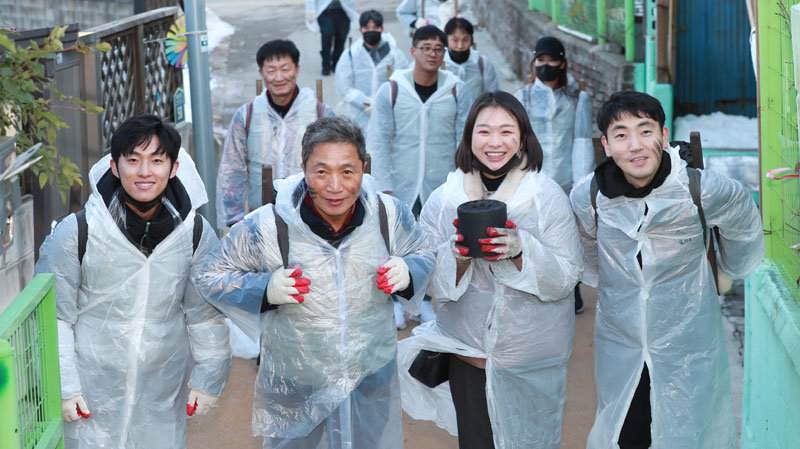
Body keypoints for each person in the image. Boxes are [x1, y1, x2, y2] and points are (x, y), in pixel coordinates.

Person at [193, 116, 436, 449]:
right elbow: (210, 275)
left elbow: (424, 251)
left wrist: (410, 271)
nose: (335, 186)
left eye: (347, 171)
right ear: (303, 167)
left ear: (363, 169)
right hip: (296, 384)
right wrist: (265, 289)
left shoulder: (388, 215)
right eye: (321, 171)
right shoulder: (271, 224)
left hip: (370, 378)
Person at [569, 91, 765, 449]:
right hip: (621, 341)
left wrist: (724, 271)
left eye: (645, 131)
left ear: (663, 133)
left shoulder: (697, 189)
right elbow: (584, 246)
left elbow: (744, 221)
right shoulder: (590, 195)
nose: (636, 145)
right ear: (607, 145)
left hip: (687, 343)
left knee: (688, 433)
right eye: (622, 134)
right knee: (627, 433)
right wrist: (614, 283)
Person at [397, 91, 583, 449]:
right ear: (469, 137)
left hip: (532, 360)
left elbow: (566, 276)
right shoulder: (444, 198)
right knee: (478, 441)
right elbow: (425, 280)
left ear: (523, 136)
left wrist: (519, 251)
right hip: (469, 355)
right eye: (483, 132)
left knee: (533, 441)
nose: (494, 143)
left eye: (506, 131)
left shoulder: (545, 196)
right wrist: (458, 257)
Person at [36, 115, 232, 448]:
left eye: (157, 161)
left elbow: (204, 315)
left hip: (162, 390)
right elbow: (55, 318)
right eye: (133, 160)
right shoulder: (78, 232)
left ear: (173, 168)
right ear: (115, 167)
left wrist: (208, 378)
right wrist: (65, 387)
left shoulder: (194, 233)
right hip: (91, 393)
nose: (144, 172)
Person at [367, 24, 473, 328]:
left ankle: (425, 302)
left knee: (432, 245)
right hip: (400, 182)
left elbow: (463, 139)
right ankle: (396, 303)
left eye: (438, 49)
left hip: (440, 183)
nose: (432, 54)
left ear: (445, 54)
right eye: (426, 47)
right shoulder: (392, 89)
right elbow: (378, 140)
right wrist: (383, 185)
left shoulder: (455, 89)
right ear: (412, 51)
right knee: (393, 244)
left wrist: (460, 181)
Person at [216, 39, 334, 230]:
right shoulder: (247, 115)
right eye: (271, 71)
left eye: (285, 69)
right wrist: (234, 219)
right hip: (262, 218)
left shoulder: (319, 113)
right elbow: (232, 170)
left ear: (297, 69)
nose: (279, 77)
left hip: (311, 217)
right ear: (261, 73)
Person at [515, 35, 593, 313]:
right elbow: (518, 142)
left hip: (567, 179)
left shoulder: (577, 98)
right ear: (534, 62)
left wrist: (581, 185)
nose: (546, 65)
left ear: (563, 63)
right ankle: (537, 287)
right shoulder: (520, 98)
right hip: (532, 178)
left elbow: (582, 140)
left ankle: (572, 288)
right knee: (533, 235)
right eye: (541, 60)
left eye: (551, 60)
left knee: (567, 238)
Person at [334, 9, 409, 131]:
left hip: (388, 112)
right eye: (367, 28)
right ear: (361, 30)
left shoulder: (394, 53)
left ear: (381, 29)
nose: (371, 31)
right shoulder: (350, 55)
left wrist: (381, 103)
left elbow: (403, 81)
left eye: (375, 27)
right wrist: (366, 103)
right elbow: (344, 88)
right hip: (357, 116)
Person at [443, 17, 500, 99]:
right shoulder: (440, 65)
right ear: (447, 41)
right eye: (455, 40)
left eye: (465, 40)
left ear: (471, 40)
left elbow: (493, 94)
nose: (460, 46)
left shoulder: (483, 64)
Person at [305, 0, 357, 75]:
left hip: (344, 11)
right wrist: (311, 12)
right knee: (327, 35)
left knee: (341, 37)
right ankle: (326, 64)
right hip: (325, 11)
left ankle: (336, 64)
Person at [396, 0, 470, 30]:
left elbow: (468, 13)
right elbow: (402, 12)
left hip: (453, 44)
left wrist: (462, 19)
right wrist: (415, 22)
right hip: (428, 43)